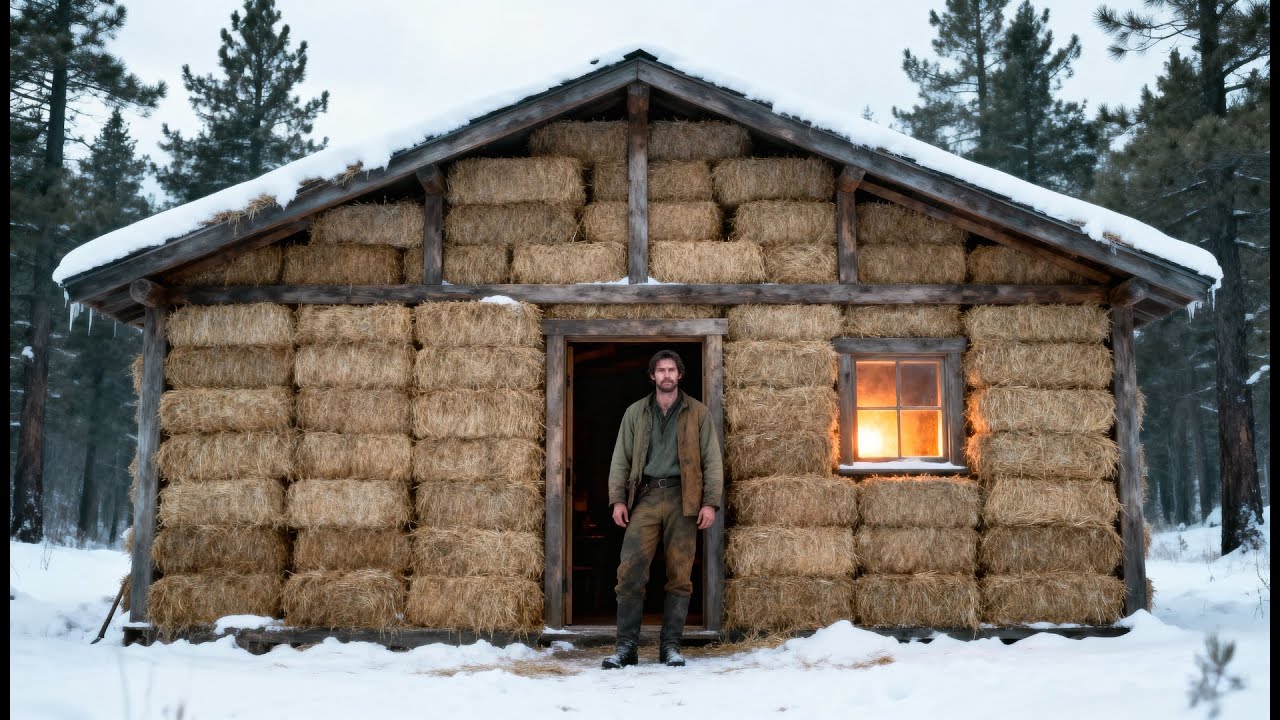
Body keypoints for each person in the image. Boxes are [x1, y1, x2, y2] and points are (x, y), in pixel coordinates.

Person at [601, 349, 723, 669]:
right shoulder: (635, 413)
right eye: (661, 370)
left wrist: (709, 503)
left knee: (680, 575)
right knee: (629, 572)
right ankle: (626, 647)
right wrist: (618, 500)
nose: (666, 375)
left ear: (680, 375)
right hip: (646, 498)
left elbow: (712, 461)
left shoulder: (698, 413)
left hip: (685, 500)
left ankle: (671, 646)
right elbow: (620, 459)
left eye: (671, 370)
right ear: (652, 376)